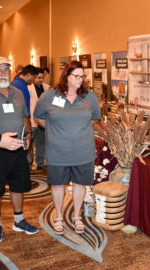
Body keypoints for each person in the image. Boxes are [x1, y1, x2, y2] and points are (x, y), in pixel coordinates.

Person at [34, 61, 100, 235]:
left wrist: (76, 130)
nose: (80, 80)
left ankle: (77, 216)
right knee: (58, 185)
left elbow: (93, 119)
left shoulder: (89, 97)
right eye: (76, 76)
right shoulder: (50, 96)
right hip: (58, 151)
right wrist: (56, 130)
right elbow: (39, 117)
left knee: (80, 185)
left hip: (83, 151)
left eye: (82, 76)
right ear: (66, 76)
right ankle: (59, 216)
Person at [0, 56, 38, 244]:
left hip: (17, 149)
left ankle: (19, 220)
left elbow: (25, 116)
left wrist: (28, 136)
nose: (3, 73)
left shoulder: (17, 92)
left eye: (6, 70)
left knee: (19, 186)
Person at [28, 68, 50, 170]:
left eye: (42, 77)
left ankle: (40, 164)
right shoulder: (28, 87)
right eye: (38, 77)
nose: (41, 79)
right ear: (34, 77)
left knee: (41, 144)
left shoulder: (47, 87)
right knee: (29, 144)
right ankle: (29, 163)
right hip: (31, 120)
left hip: (42, 121)